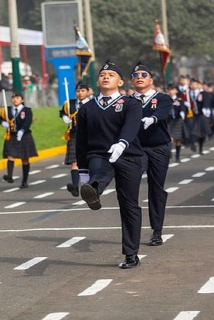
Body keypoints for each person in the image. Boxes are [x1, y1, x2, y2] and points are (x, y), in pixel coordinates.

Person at [76, 59, 144, 269]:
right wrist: (82, 171)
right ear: (97, 81)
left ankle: (131, 253)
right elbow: (81, 141)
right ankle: (93, 190)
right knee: (100, 170)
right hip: (100, 154)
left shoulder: (131, 104)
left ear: (120, 82)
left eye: (111, 75)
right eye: (102, 75)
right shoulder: (87, 108)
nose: (106, 77)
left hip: (129, 155)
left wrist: (122, 143)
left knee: (129, 204)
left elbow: (131, 126)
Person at [131, 61, 172, 246]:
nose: (139, 78)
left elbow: (163, 113)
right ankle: (133, 231)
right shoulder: (127, 101)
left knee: (156, 189)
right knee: (130, 186)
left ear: (151, 79)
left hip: (158, 148)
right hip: (136, 149)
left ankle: (157, 230)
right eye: (136, 75)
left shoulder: (162, 98)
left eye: (143, 75)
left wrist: (153, 118)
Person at [0, 91, 38, 188]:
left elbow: (27, 122)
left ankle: (24, 181)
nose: (15, 100)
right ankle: (10, 176)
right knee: (10, 155)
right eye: (13, 98)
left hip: (24, 135)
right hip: (12, 135)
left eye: (18, 98)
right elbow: (0, 118)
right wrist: (3, 123)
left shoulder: (27, 110)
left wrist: (22, 130)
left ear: (22, 100)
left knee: (25, 159)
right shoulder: (7, 110)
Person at [59, 82, 91, 196]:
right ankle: (75, 187)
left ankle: (88, 186)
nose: (80, 93)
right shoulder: (69, 104)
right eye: (78, 91)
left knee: (89, 162)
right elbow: (62, 112)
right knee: (75, 162)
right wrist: (65, 117)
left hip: (90, 135)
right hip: (74, 134)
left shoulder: (93, 103)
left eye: (82, 91)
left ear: (87, 92)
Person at [187, 78, 212, 155]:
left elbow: (206, 102)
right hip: (192, 114)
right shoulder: (187, 94)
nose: (193, 86)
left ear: (198, 85)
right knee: (192, 129)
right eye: (191, 84)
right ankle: (192, 144)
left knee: (201, 133)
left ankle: (200, 148)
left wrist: (206, 109)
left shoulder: (202, 93)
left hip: (201, 114)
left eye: (195, 84)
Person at [167, 84, 188, 163]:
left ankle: (178, 156)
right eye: (169, 90)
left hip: (177, 120)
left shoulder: (179, 100)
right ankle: (169, 152)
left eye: (172, 90)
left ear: (176, 91)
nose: (171, 91)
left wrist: (182, 112)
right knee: (168, 138)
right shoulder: (166, 100)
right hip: (168, 121)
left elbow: (182, 107)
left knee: (178, 139)